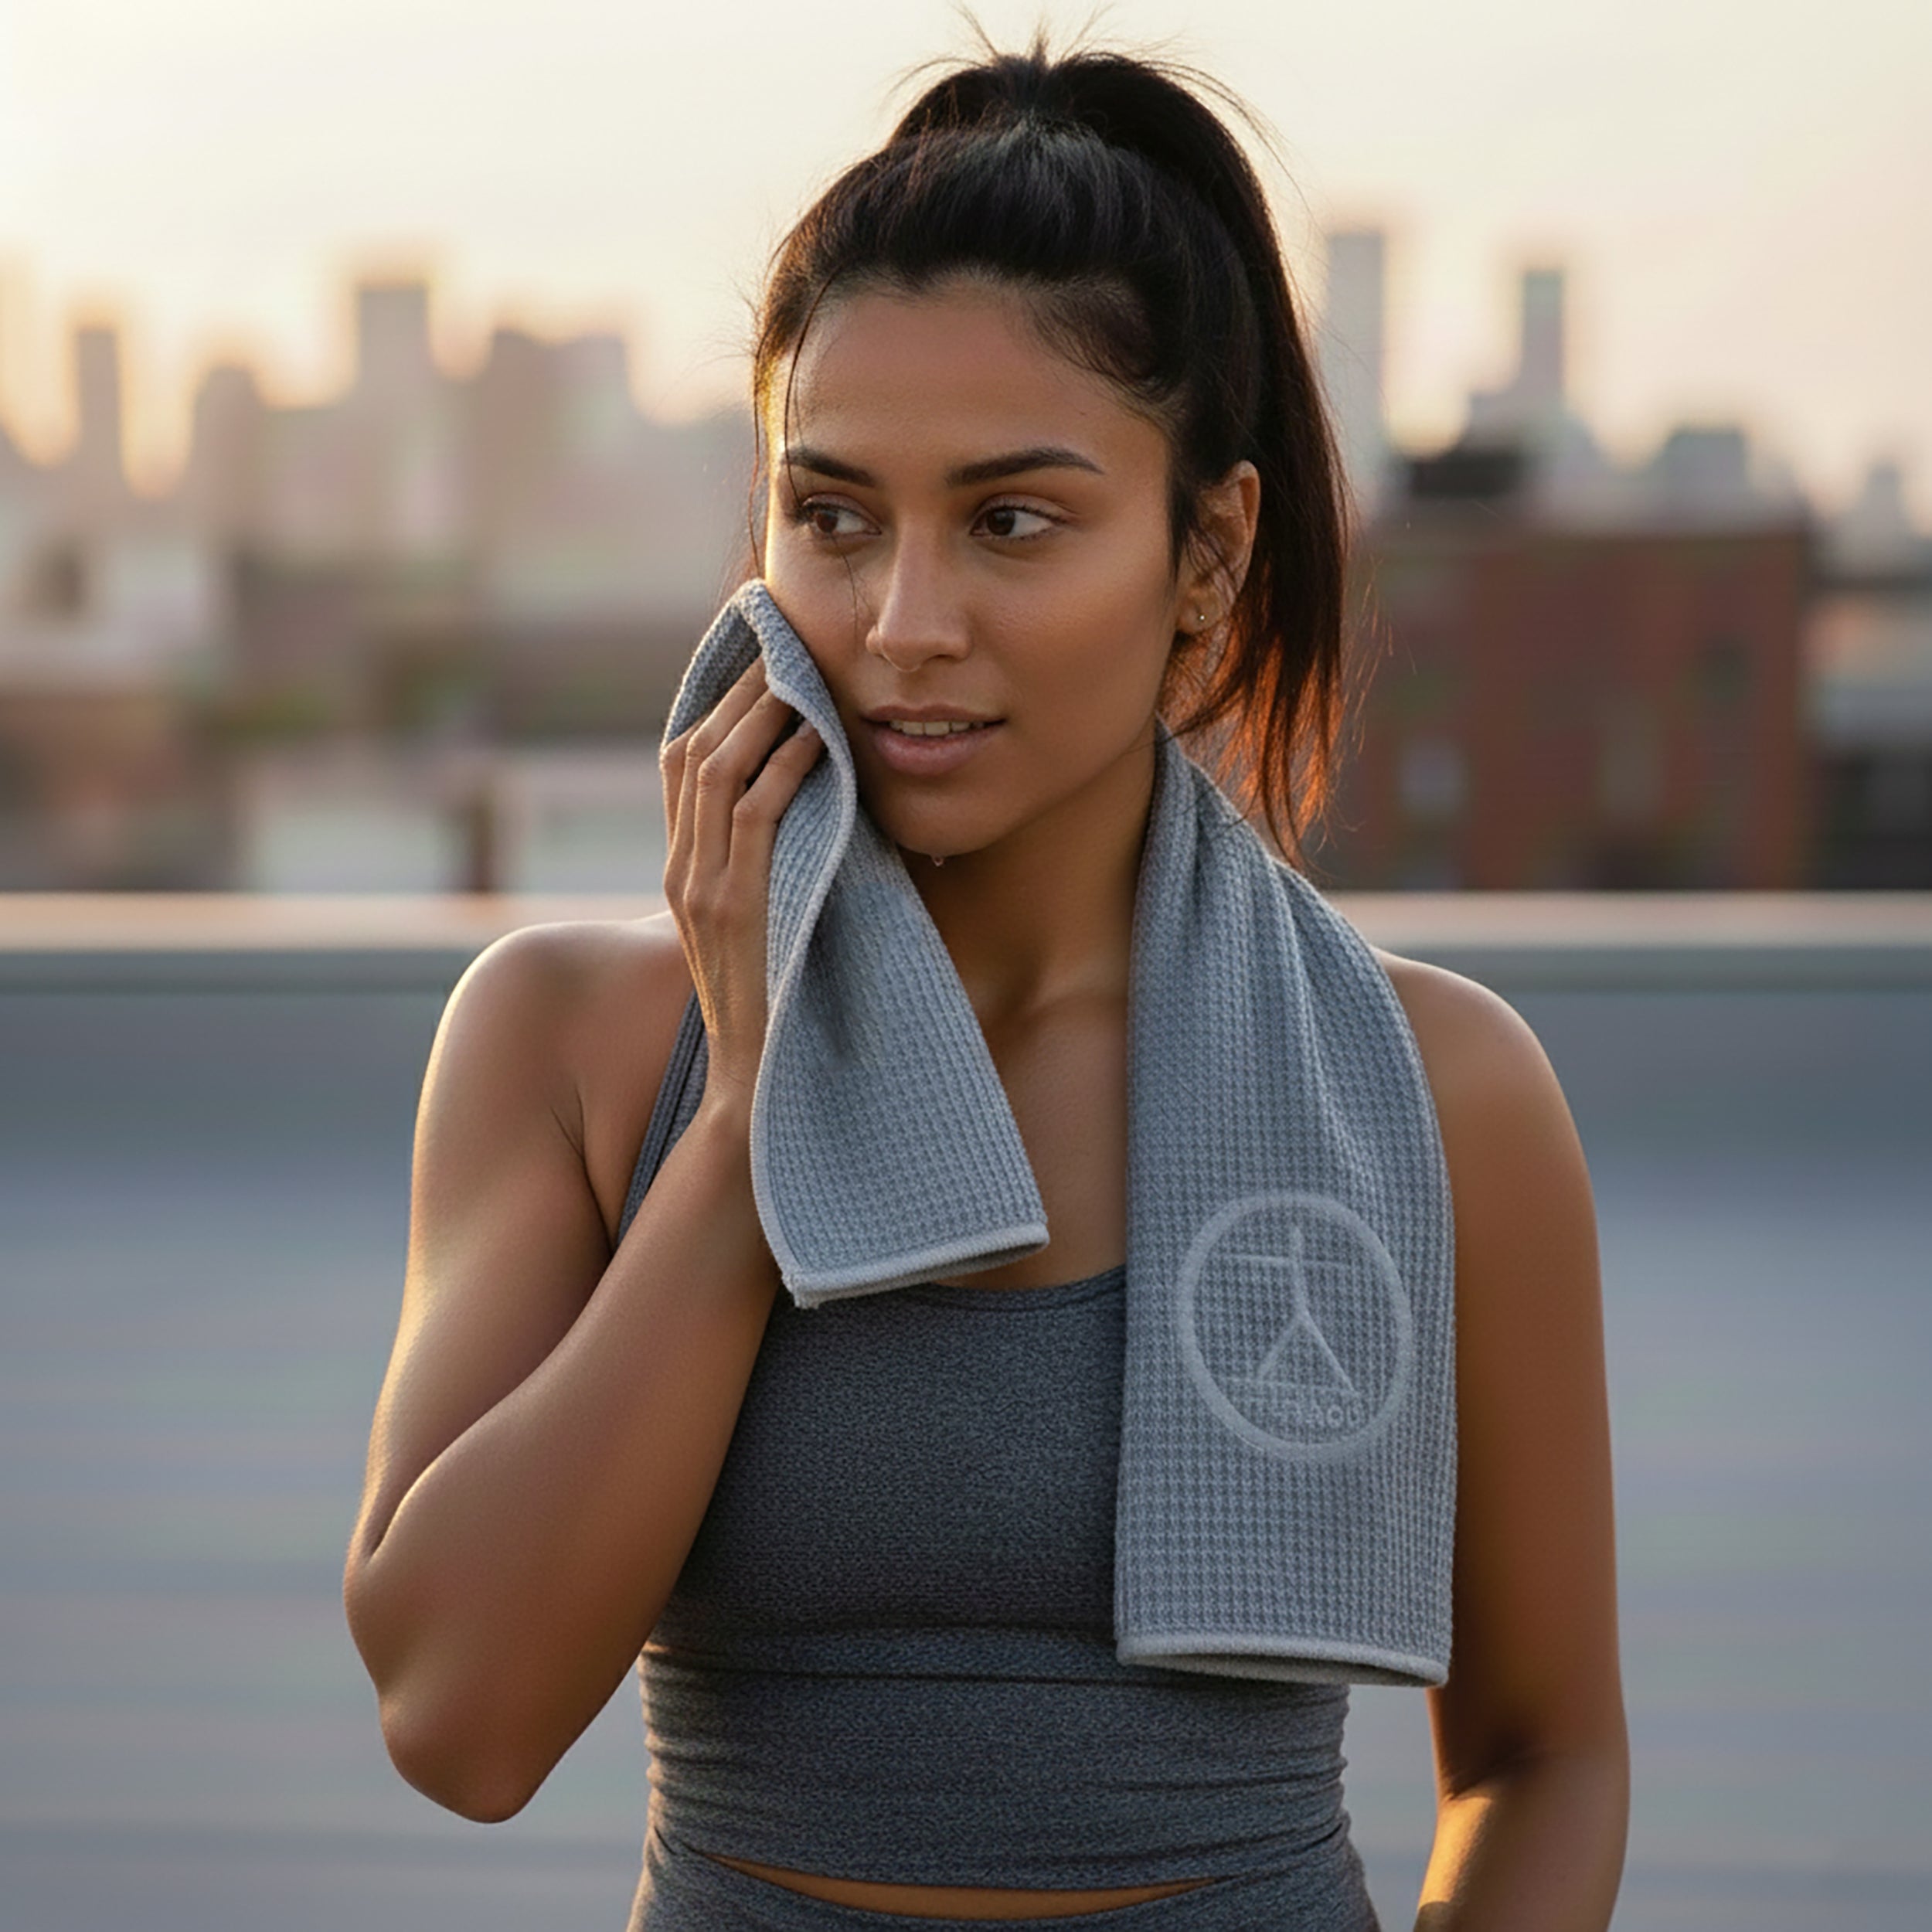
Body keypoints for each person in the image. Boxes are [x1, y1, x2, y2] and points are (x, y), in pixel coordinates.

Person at [344, 36, 1627, 1931]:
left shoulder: (1431, 1088)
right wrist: (745, 1121)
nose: (900, 625)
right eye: (835, 516)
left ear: (1207, 555)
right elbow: (459, 1715)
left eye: (1012, 520)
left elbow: (1543, 1753)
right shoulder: (573, 1043)